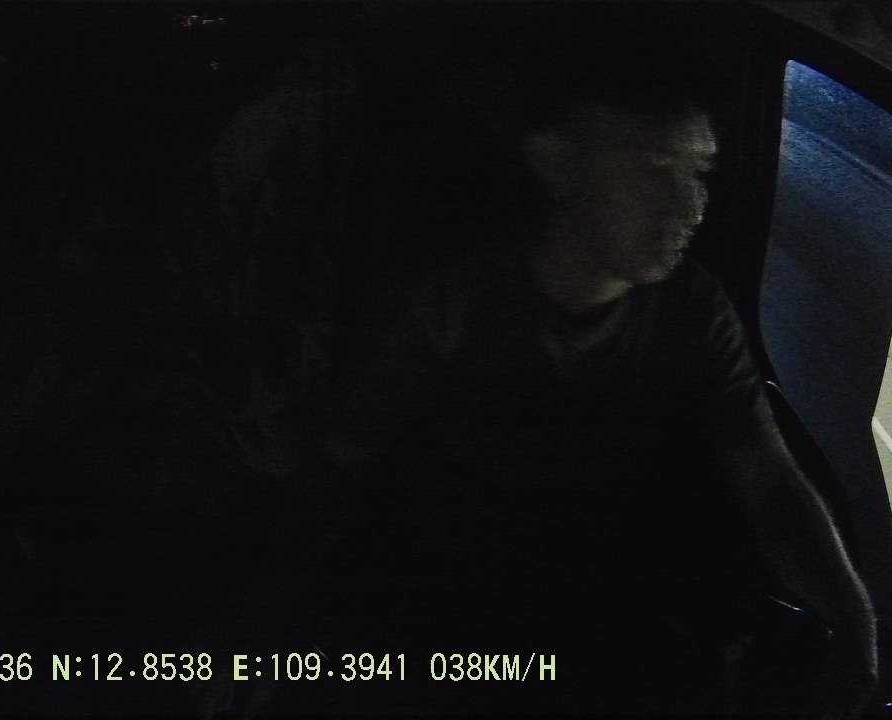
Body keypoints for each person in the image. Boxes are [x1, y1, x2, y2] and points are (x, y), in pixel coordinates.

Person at [260, 42, 881, 718]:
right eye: (653, 167)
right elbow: (334, 480)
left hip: (605, 617)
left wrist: (853, 623)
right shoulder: (446, 310)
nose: (690, 204)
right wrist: (259, 644)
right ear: (557, 162)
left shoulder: (692, 311)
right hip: (450, 622)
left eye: (699, 171)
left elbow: (768, 482)